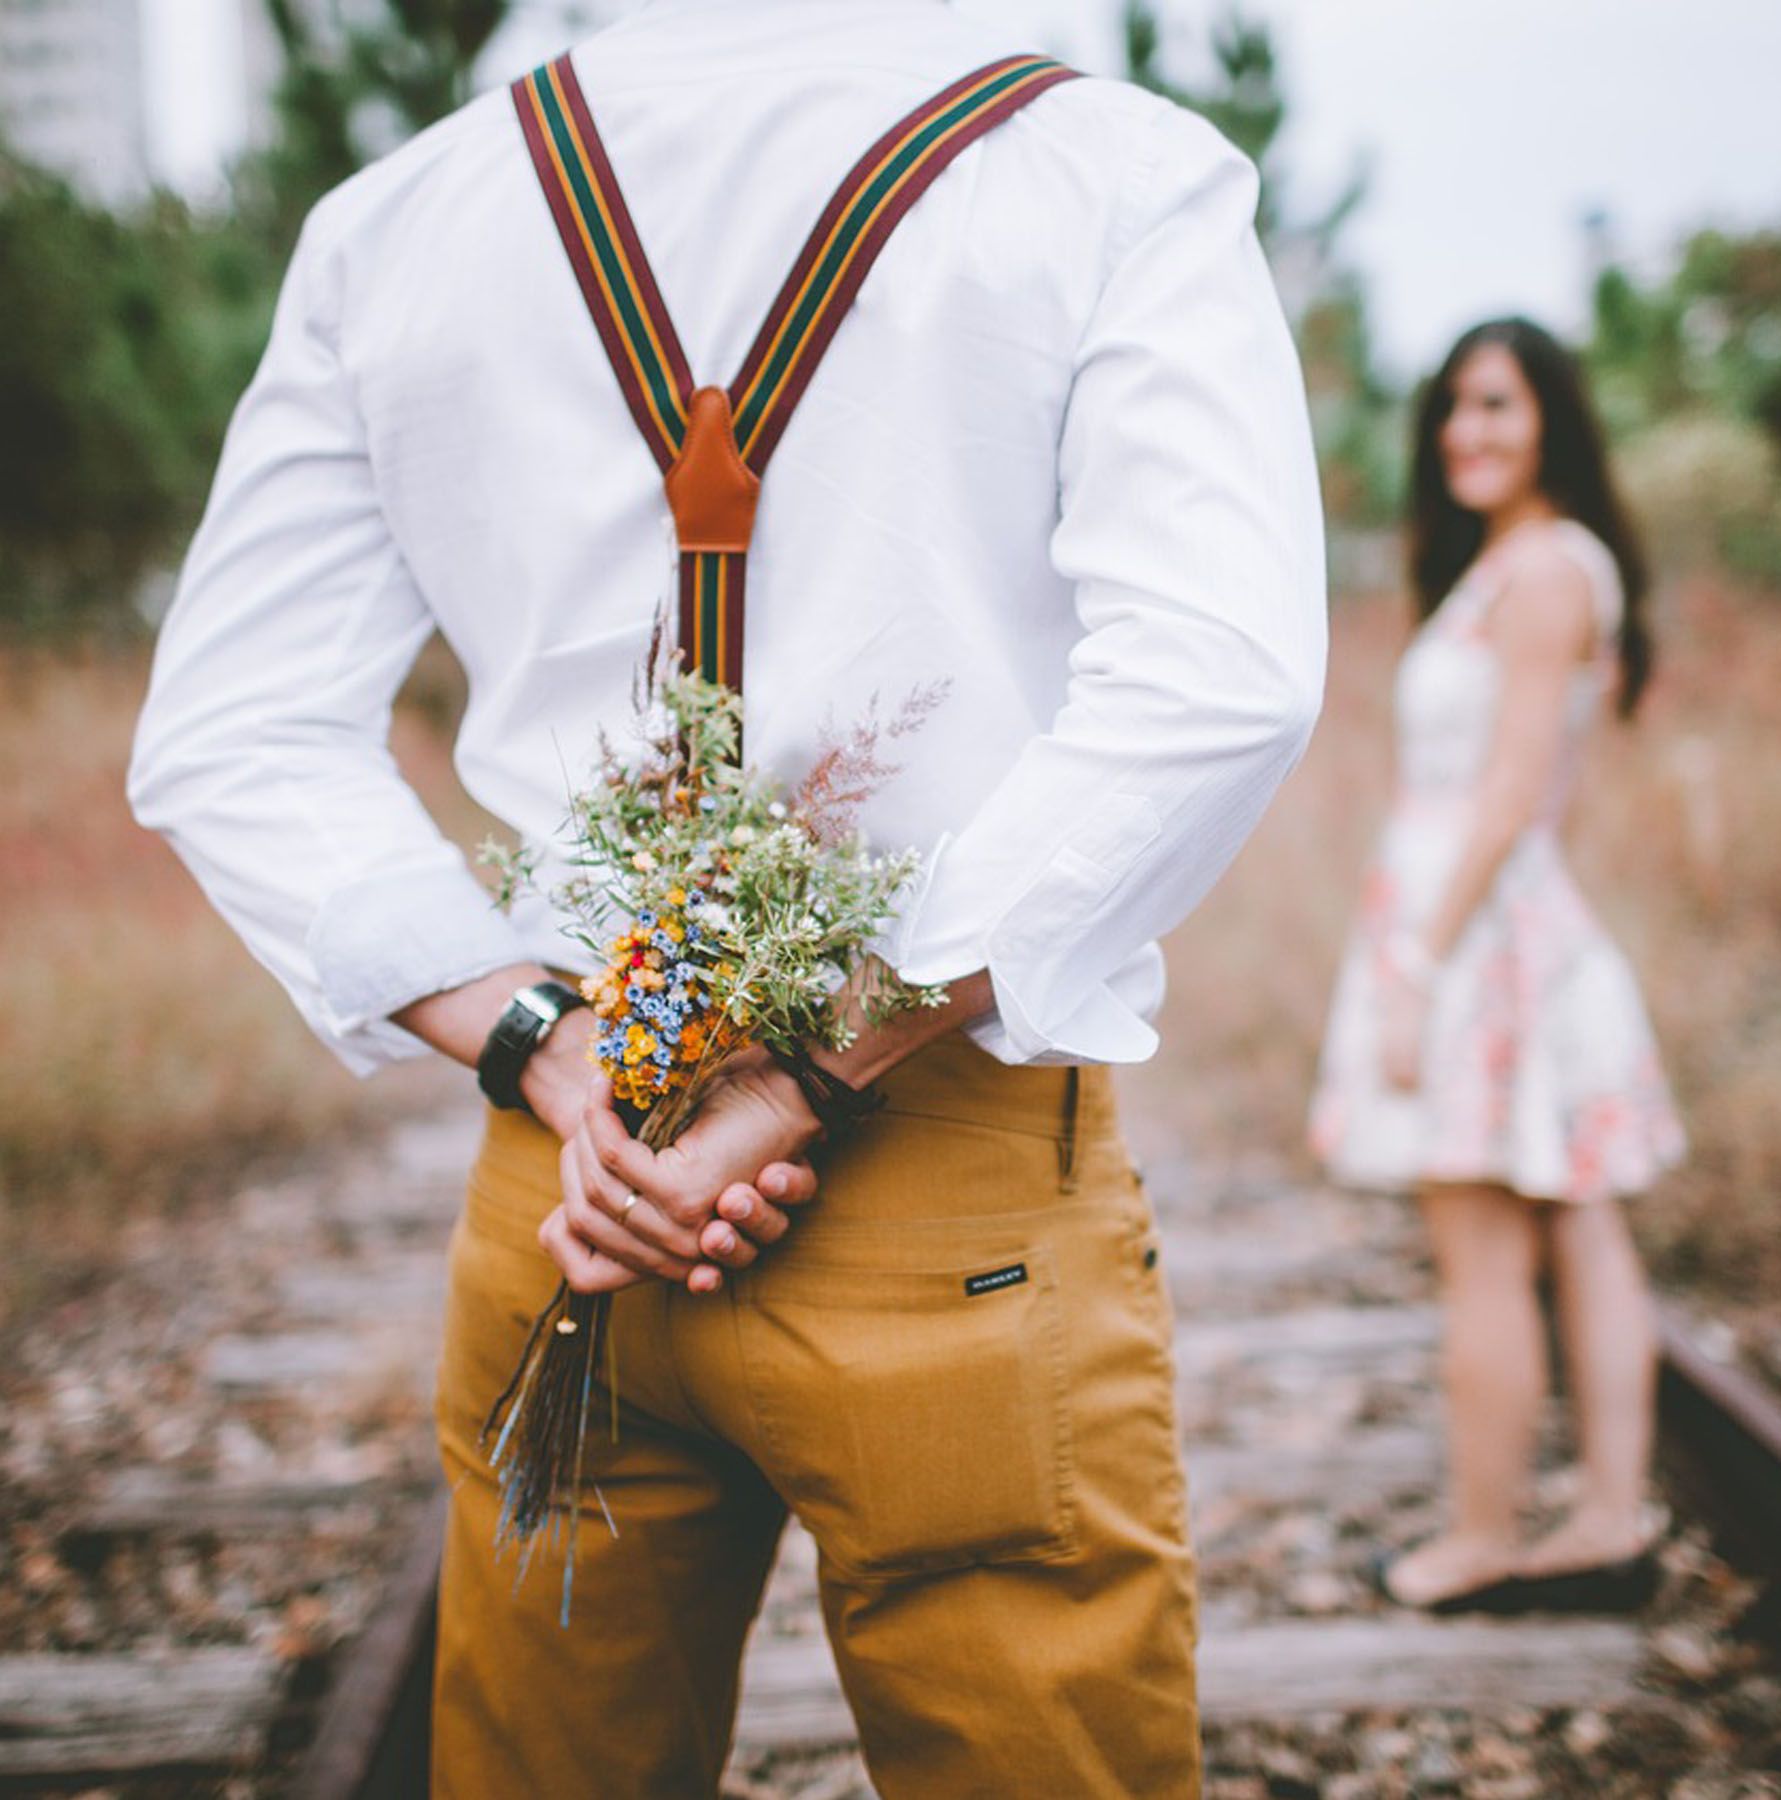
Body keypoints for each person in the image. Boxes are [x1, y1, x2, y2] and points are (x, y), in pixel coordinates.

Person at [128, 0, 1326, 1791]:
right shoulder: (1106, 170)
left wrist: (550, 1049)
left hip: (578, 1187)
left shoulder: (400, 222)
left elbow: (231, 729)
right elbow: (1219, 679)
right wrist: (810, 1067)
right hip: (944, 1180)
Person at [1309, 317, 1687, 1614]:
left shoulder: (1543, 573)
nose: (1466, 433)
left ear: (1550, 422)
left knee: (1482, 1249)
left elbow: (1514, 790)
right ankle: (1605, 1519)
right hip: (1499, 921)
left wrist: (1419, 963)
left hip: (1475, 939)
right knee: (1579, 1223)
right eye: (1453, 409)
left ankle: (1483, 1539)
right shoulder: (1526, 565)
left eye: (1497, 405)